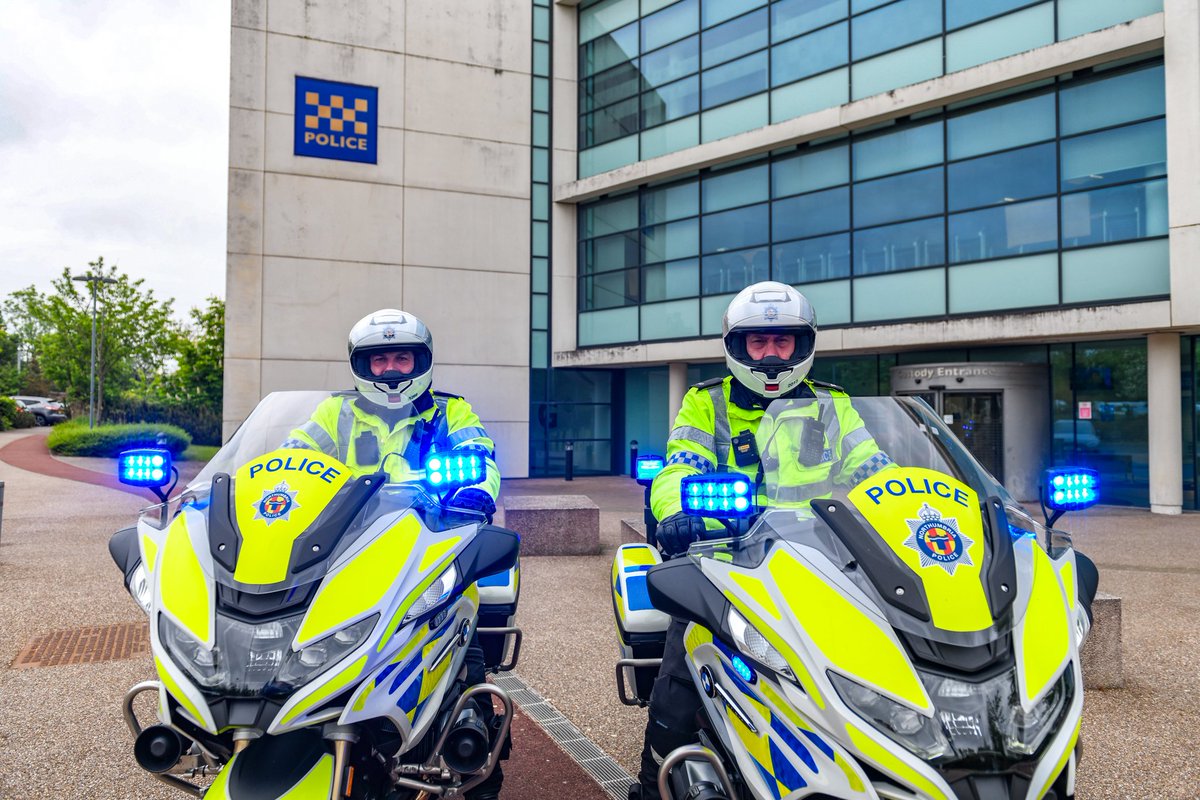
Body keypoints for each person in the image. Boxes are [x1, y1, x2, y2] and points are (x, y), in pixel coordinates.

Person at [634, 281, 894, 800]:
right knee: (683, 676)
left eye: (782, 342)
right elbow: (677, 467)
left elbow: (875, 471)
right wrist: (678, 513)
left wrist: (907, 508)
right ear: (738, 347)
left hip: (824, 559)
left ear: (802, 346)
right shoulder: (706, 404)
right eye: (759, 343)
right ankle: (652, 781)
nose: (771, 354)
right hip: (727, 561)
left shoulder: (833, 406)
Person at [283, 308, 505, 800]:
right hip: (340, 554)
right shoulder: (333, 414)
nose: (390, 370)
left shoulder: (451, 412)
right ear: (361, 365)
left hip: (424, 555)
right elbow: (287, 461)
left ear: (421, 361)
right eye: (379, 359)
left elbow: (481, 456)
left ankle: (470, 745)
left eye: (401, 357)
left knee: (456, 654)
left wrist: (474, 494)